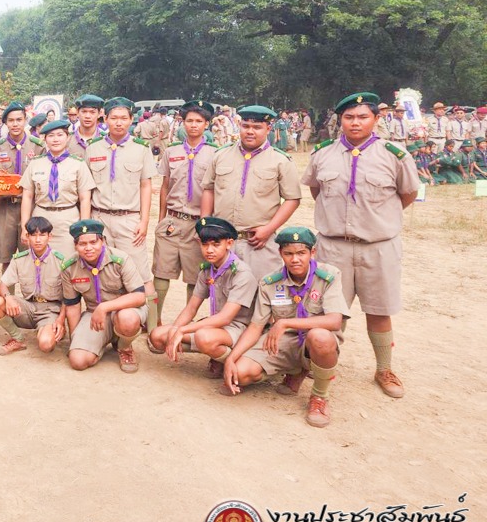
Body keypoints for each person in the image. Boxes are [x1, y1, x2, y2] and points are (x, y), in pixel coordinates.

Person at [302, 92, 419, 399]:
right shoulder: (322, 153)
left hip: (378, 246)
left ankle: (384, 368)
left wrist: (377, 221)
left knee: (379, 309)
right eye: (349, 117)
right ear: (340, 120)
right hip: (333, 246)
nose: (355, 123)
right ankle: (317, 365)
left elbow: (407, 194)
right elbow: (317, 190)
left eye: (362, 116)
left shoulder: (394, 155)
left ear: (376, 119)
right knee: (327, 311)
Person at [221, 226, 350, 428]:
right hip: (283, 341)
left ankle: (319, 397)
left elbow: (334, 320)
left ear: (312, 253)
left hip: (313, 340)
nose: (295, 259)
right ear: (280, 253)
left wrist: (286, 322)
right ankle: (294, 369)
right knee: (240, 373)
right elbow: (255, 327)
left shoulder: (329, 276)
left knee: (320, 337)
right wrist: (231, 358)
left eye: (301, 253)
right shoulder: (270, 282)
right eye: (288, 253)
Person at [148, 216, 257, 378]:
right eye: (205, 244)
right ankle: (215, 353)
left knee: (203, 336)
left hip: (239, 328)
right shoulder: (207, 270)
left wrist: (182, 330)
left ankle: (231, 359)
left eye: (216, 244)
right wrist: (174, 331)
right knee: (158, 336)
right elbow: (191, 308)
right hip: (216, 326)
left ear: (229, 243)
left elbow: (226, 318)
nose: (209, 250)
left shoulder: (241, 273)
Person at [200, 105, 302, 277]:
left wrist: (269, 229)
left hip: (258, 243)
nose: (250, 131)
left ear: (268, 128)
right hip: (223, 241)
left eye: (257, 127)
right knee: (223, 295)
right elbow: (208, 189)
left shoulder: (281, 161)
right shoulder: (221, 155)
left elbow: (293, 199)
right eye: (245, 126)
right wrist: (205, 224)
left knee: (260, 296)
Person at [87, 96, 158, 316]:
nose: (118, 122)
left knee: (141, 273)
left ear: (131, 120)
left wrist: (144, 221)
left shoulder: (141, 149)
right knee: (102, 269)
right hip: (99, 219)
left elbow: (146, 186)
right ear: (104, 119)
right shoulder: (93, 148)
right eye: (114, 118)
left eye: (123, 118)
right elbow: (87, 189)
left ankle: (153, 325)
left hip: (129, 219)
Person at [153, 100, 219, 323]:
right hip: (172, 220)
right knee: (161, 273)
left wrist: (207, 226)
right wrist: (161, 219)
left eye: (198, 121)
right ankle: (155, 321)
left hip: (198, 223)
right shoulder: (171, 152)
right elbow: (165, 186)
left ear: (206, 124)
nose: (193, 125)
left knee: (195, 275)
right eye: (189, 120)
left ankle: (186, 323)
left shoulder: (215, 154)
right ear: (182, 122)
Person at [61, 219, 147, 373]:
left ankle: (124, 347)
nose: (88, 248)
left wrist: (105, 307)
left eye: (93, 242)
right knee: (77, 361)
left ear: (103, 241)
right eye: (82, 244)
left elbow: (139, 297)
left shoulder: (121, 259)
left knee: (127, 320)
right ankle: (109, 338)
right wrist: (75, 338)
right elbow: (73, 305)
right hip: (94, 315)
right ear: (75, 246)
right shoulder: (70, 267)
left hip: (126, 310)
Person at [0, 216, 66, 356]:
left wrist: (61, 320)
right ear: (27, 237)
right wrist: (9, 298)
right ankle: (17, 338)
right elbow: (2, 286)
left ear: (50, 237)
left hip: (50, 311)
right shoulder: (20, 259)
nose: (37, 240)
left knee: (46, 344)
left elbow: (71, 296)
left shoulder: (60, 261)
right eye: (33, 235)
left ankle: (48, 330)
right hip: (28, 308)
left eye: (42, 235)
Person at [20, 120, 95, 259]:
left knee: (68, 263)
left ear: (67, 138)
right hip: (41, 219)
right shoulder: (35, 163)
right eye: (51, 136)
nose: (55, 139)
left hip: (68, 219)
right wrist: (25, 226)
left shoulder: (78, 164)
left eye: (60, 135)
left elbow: (85, 199)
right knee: (41, 262)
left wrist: (83, 229)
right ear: (45, 139)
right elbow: (27, 196)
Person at [0, 101, 43, 270]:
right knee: (6, 256)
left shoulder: (37, 146)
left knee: (32, 254)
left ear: (25, 120)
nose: (15, 124)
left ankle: (30, 296)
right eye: (11, 120)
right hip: (6, 207)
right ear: (5, 123)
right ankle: (7, 295)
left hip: (32, 206)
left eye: (19, 119)